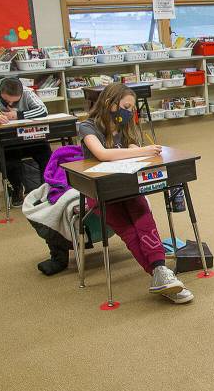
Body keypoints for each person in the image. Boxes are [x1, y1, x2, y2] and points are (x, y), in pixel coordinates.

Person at [78, 82, 193, 304]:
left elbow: (128, 150)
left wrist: (133, 149)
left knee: (144, 219)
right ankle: (161, 275)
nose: (129, 112)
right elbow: (102, 154)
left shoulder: (122, 126)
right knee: (129, 231)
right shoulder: (87, 127)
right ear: (110, 104)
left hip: (127, 186)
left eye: (131, 108)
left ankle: (161, 272)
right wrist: (143, 150)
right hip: (100, 191)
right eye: (126, 106)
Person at [0, 76, 51, 206]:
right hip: (9, 141)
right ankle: (16, 190)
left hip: (31, 138)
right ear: (0, 92)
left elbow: (43, 110)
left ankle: (48, 189)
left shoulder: (27, 92)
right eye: (6, 101)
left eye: (15, 101)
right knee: (10, 162)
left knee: (46, 155)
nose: (10, 104)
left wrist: (18, 115)